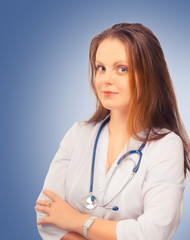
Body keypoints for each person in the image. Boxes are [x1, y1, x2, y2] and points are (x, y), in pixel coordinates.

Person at [35, 23, 190, 240]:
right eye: (101, 68)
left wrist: (76, 221)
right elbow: (46, 215)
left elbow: (152, 233)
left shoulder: (166, 145)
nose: (106, 79)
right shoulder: (78, 135)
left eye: (122, 68)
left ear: (149, 76)